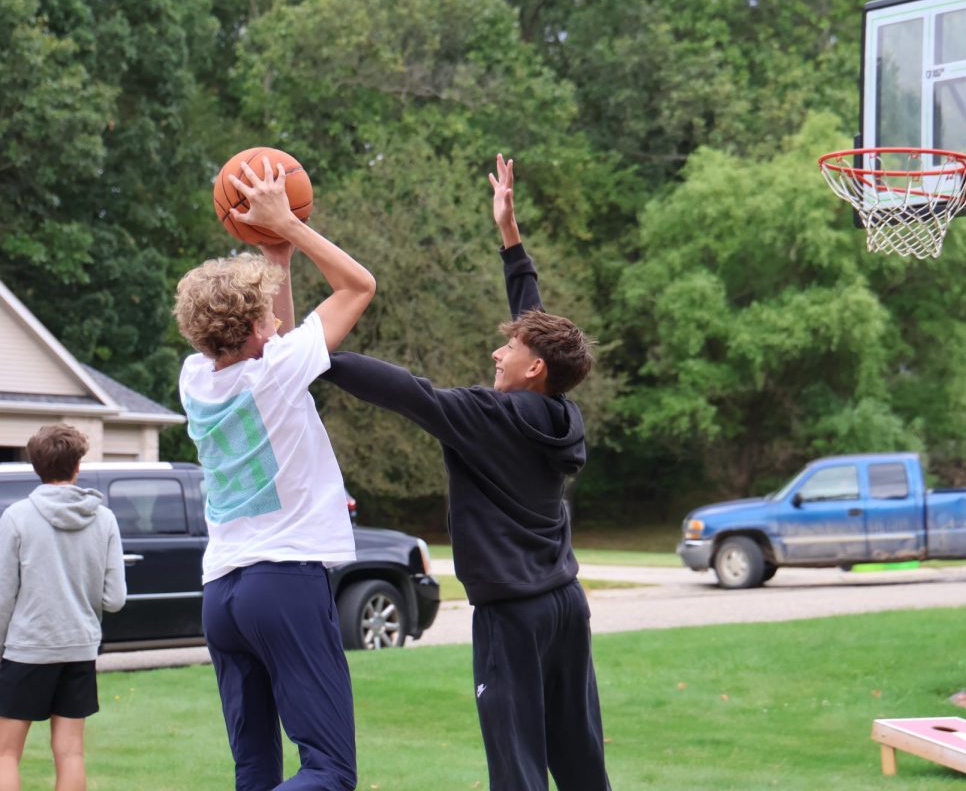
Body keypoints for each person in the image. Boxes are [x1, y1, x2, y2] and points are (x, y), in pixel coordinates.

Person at [322, 154, 610, 791]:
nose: (496, 351)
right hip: (566, 606)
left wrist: (314, 356)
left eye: (508, 348)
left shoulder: (489, 417)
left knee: (518, 769)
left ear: (533, 369)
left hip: (512, 617)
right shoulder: (561, 414)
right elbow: (537, 330)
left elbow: (409, 392)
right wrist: (510, 240)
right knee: (581, 757)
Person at [174, 156, 375, 791]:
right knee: (328, 771)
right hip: (282, 584)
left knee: (256, 771)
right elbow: (357, 285)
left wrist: (276, 258)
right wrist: (289, 223)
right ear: (261, 329)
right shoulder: (278, 372)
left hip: (222, 595)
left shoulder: (196, 379)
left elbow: (274, 332)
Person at [0, 424, 126, 791]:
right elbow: (114, 599)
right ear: (77, 465)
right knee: (71, 753)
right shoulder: (104, 519)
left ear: (37, 465)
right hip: (79, 649)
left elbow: (3, 596)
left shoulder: (17, 518)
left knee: (6, 753)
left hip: (26, 650)